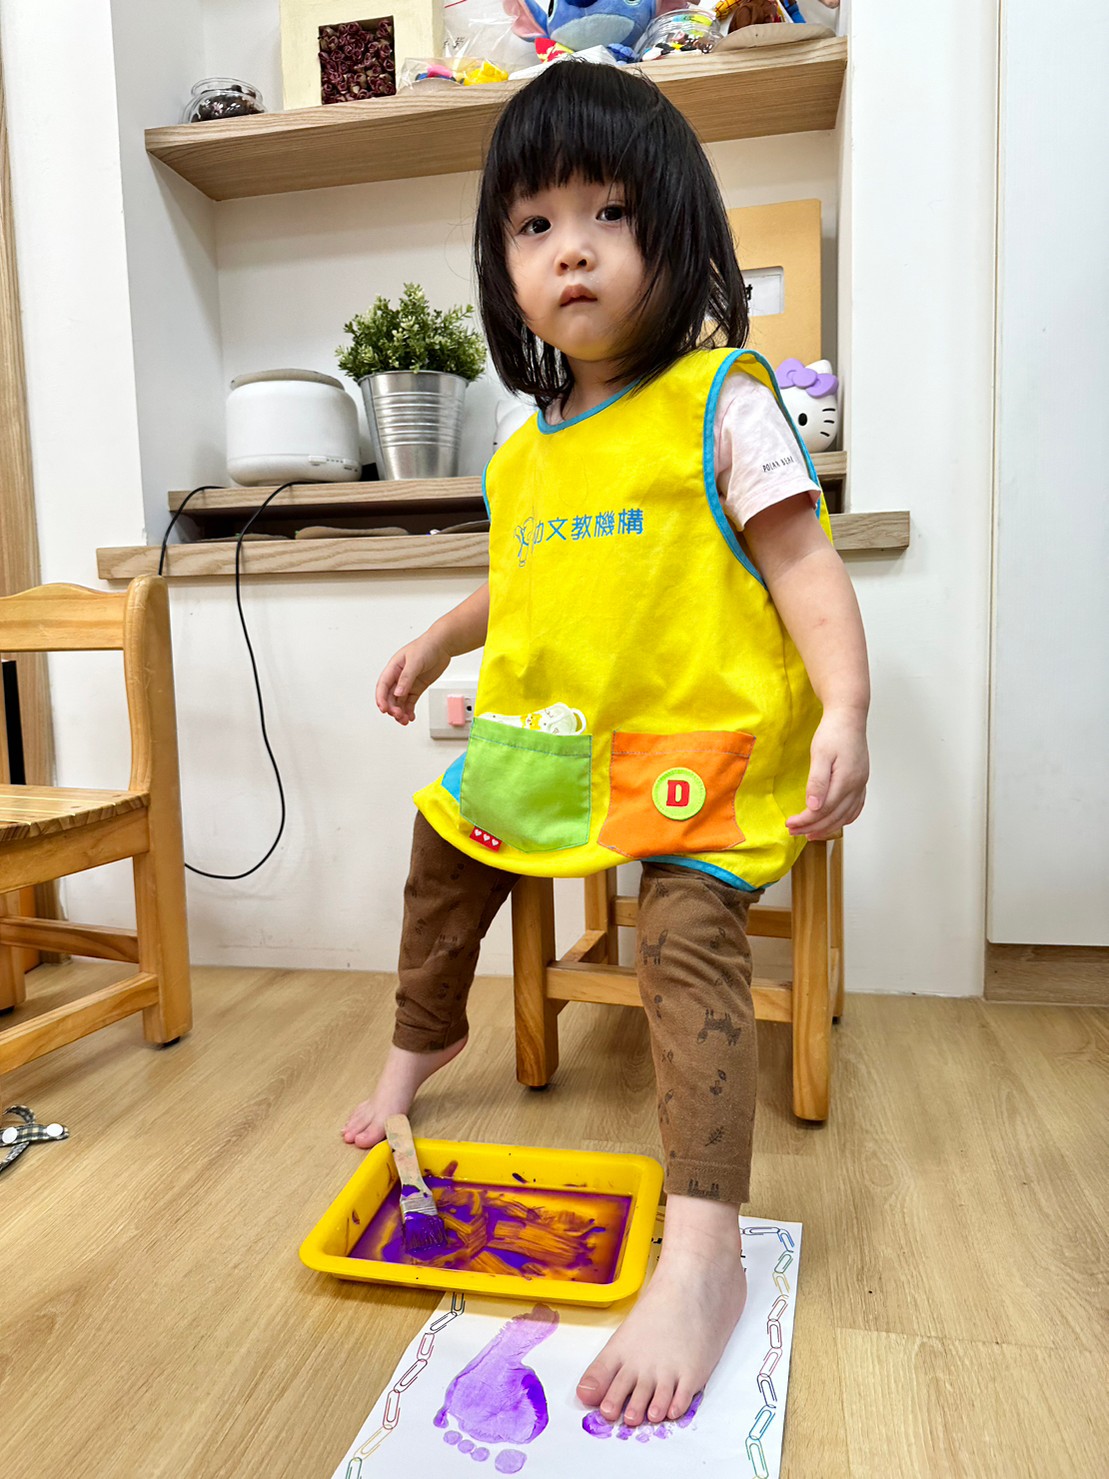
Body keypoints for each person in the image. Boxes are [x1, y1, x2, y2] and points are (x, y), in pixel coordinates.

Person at [344, 60, 869, 1430]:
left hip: (697, 758)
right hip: (566, 749)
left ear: (676, 231)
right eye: (534, 224)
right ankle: (413, 1056)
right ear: (502, 265)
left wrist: (847, 711)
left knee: (681, 933)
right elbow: (524, 582)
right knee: (444, 840)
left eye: (607, 213)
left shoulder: (721, 401)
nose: (568, 247)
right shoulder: (525, 449)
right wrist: (439, 638)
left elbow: (804, 565)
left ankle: (702, 1250)